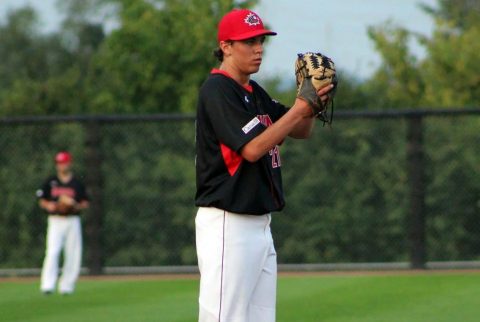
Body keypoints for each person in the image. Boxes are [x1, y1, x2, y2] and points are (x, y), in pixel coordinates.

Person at [194, 8, 335, 322]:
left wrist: (311, 103)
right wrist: (300, 109)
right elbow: (253, 149)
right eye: (248, 42)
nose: (258, 48)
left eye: (260, 41)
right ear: (226, 46)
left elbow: (299, 129)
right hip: (228, 224)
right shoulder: (218, 90)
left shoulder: (253, 92)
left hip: (259, 225)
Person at [36, 151, 89, 295]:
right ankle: (47, 285)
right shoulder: (51, 181)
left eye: (64, 162)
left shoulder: (77, 183)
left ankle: (67, 286)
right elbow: (42, 200)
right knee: (52, 252)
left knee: (73, 253)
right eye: (59, 163)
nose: (62, 165)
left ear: (69, 163)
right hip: (55, 220)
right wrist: (50, 206)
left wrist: (75, 205)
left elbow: (85, 202)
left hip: (72, 219)